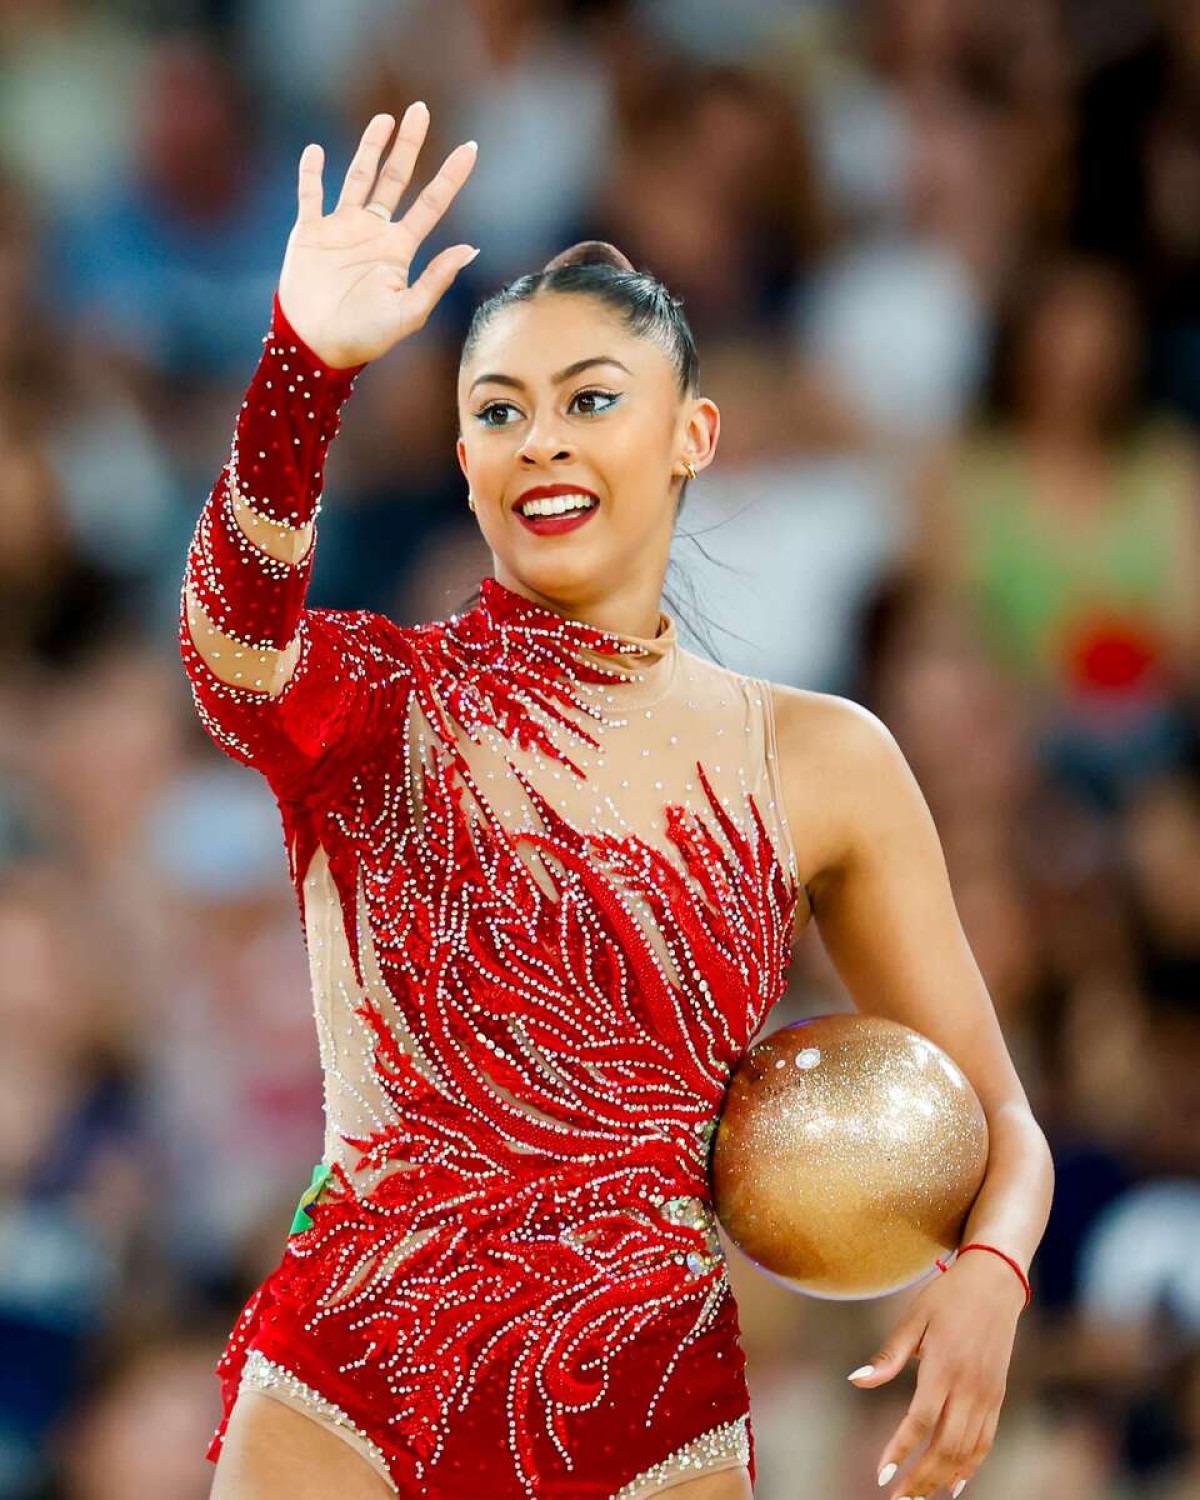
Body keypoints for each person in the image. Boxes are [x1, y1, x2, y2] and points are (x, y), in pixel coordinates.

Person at [183, 106, 1054, 1500]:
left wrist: (991, 1281)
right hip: (352, 1374)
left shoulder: (819, 759)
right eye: (498, 412)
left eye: (592, 399)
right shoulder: (383, 706)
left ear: (692, 434)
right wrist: (303, 369)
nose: (542, 443)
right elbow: (232, 655)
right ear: (464, 463)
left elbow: (1002, 1122)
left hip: (644, 1421)